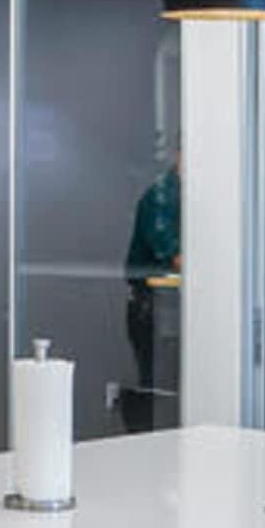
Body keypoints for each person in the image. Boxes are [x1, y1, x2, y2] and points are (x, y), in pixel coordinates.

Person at [122, 149, 180, 432]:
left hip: (171, 309)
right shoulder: (161, 197)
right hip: (153, 310)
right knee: (160, 392)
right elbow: (176, 256)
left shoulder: (186, 194)